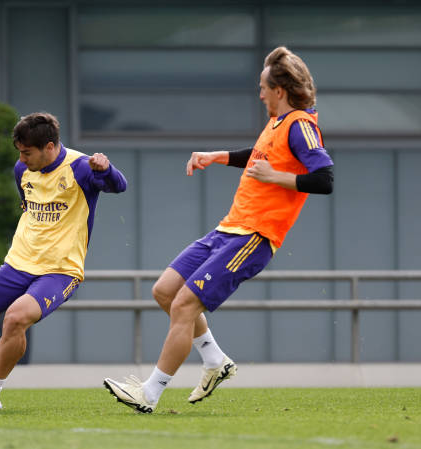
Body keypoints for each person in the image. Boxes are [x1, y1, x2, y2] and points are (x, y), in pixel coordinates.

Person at [104, 46, 334, 413]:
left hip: (254, 237)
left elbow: (324, 179)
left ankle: (149, 394)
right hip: (228, 229)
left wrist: (275, 177)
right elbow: (258, 156)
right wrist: (218, 156)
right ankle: (215, 361)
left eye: (262, 87)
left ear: (279, 90)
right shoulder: (277, 123)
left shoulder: (302, 126)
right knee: (165, 291)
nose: (259, 93)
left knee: (183, 305)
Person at [0, 112, 127, 411]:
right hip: (16, 266)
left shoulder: (80, 168)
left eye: (27, 153)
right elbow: (27, 206)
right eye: (20, 152)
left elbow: (119, 186)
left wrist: (106, 170)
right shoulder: (21, 170)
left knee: (16, 318)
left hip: (59, 272)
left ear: (50, 147)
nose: (22, 159)